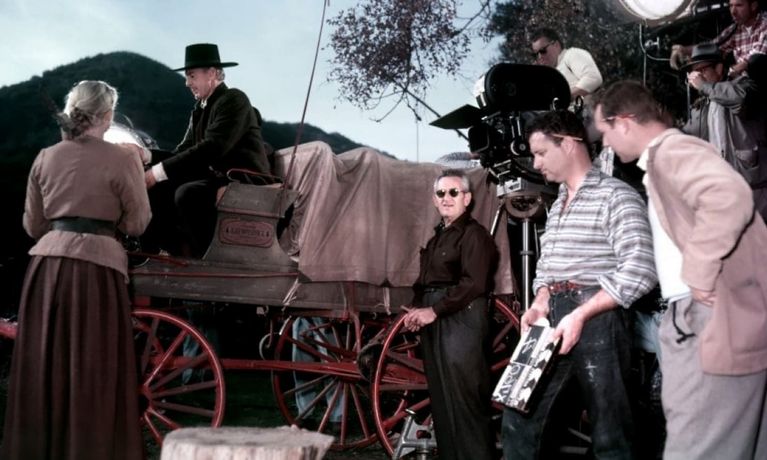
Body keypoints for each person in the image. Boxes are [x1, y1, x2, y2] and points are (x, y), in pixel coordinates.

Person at [593, 80, 767, 460]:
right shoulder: (666, 158)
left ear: (624, 122)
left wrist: (699, 273)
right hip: (723, 315)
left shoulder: (671, 150)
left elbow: (728, 197)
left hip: (705, 316)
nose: (605, 143)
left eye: (605, 131)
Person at [1, 81, 150, 459]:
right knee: (94, 369)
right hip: (98, 272)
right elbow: (137, 223)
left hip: (47, 272)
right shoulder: (123, 159)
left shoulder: (45, 157)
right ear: (108, 115)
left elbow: (33, 225)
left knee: (44, 367)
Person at [501, 110, 657, 460]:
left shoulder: (616, 196)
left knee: (611, 434)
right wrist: (540, 300)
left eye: (541, 152)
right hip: (553, 317)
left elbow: (642, 269)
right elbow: (548, 268)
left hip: (599, 319)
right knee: (517, 418)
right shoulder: (558, 203)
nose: (536, 164)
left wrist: (582, 313)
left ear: (569, 145)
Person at [401, 169, 498, 460]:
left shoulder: (475, 235)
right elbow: (424, 283)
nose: (446, 198)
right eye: (441, 193)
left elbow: (474, 284)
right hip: (437, 321)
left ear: (467, 199)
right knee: (443, 402)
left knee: (466, 402)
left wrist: (433, 310)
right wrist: (416, 310)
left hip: (462, 319)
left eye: (454, 192)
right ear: (434, 200)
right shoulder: (436, 239)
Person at [143, 42, 271, 257]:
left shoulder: (234, 99)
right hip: (216, 178)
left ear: (211, 73)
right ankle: (168, 255)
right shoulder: (200, 110)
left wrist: (155, 174)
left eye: (191, 76)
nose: (187, 83)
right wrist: (146, 155)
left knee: (189, 194)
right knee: (159, 188)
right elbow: (182, 152)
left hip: (244, 179)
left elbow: (212, 148)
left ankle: (207, 259)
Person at [681, 44, 767, 218]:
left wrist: (704, 86)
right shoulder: (704, 102)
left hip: (754, 189)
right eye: (695, 72)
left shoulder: (743, 85)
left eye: (702, 70)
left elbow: (740, 99)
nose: (697, 76)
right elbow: (688, 135)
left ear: (719, 68)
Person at [671, 0, 767, 77]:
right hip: (743, 84)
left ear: (753, 6)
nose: (733, 12)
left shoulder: (764, 24)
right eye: (731, 6)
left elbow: (756, 58)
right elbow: (712, 46)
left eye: (739, 5)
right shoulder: (736, 28)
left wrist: (729, 73)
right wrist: (683, 50)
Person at [530, 28, 603, 99]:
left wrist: (565, 98)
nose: (540, 57)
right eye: (535, 54)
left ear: (556, 45)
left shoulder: (571, 54)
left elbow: (593, 78)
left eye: (543, 50)